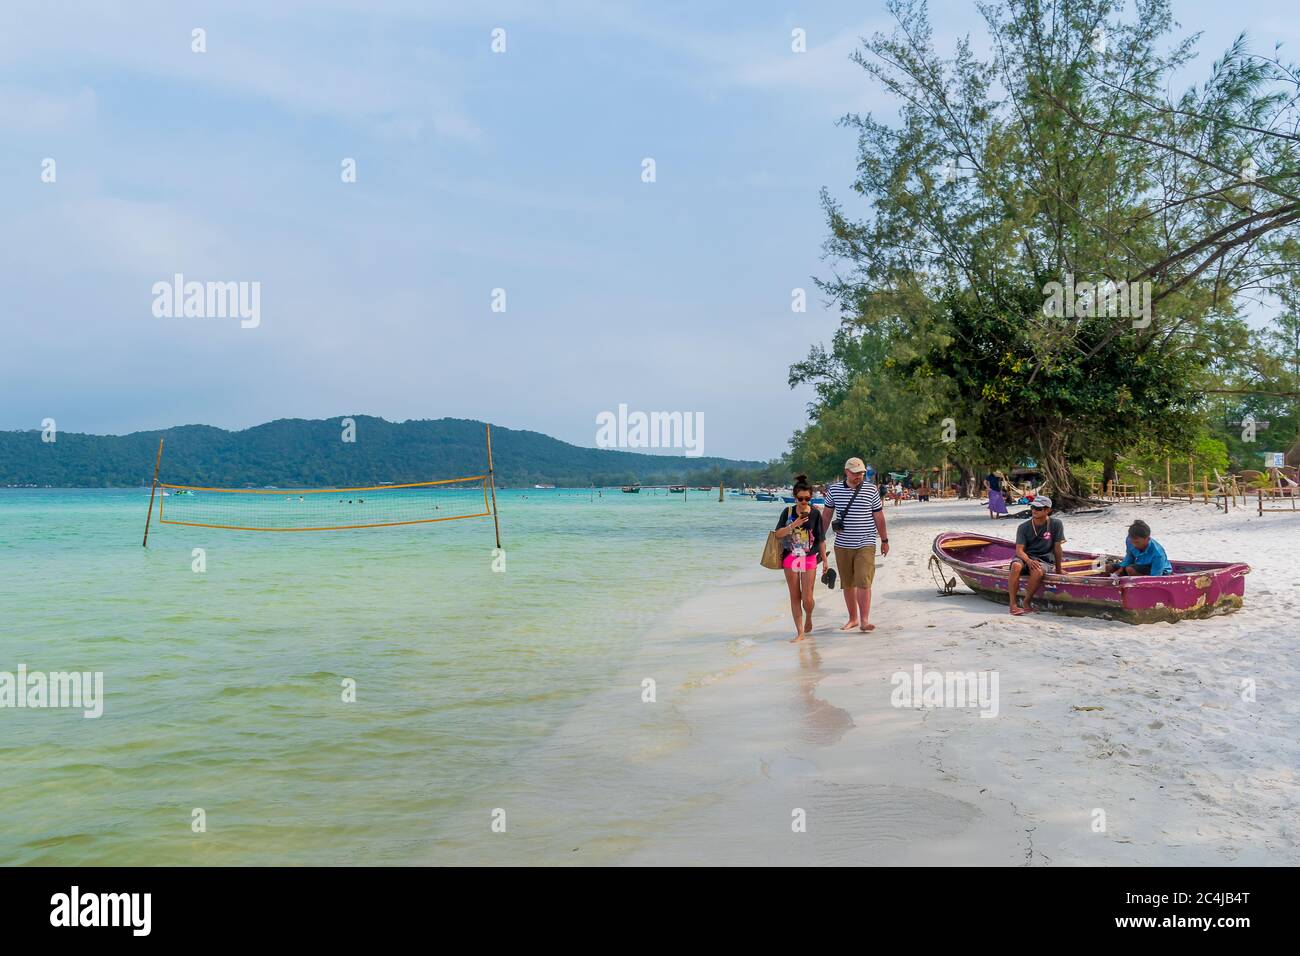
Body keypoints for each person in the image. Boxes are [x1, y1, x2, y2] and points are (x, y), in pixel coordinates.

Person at [825, 457, 889, 632]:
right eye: (855, 473)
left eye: (861, 473)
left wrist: (884, 540)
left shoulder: (871, 490)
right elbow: (826, 515)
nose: (859, 476)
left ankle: (864, 620)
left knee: (863, 580)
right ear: (846, 472)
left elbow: (879, 516)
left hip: (866, 542)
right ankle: (853, 619)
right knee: (847, 583)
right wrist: (819, 538)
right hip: (842, 544)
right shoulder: (834, 490)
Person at [772, 475, 829, 642]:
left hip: (809, 557)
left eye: (807, 498)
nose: (804, 502)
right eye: (800, 498)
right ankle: (800, 632)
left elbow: (821, 539)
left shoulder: (816, 514)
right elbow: (778, 534)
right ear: (794, 497)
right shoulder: (787, 512)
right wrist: (793, 524)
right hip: (790, 557)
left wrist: (825, 559)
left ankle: (809, 616)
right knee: (795, 595)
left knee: (807, 598)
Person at [1008, 495, 1065, 616]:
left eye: (1038, 508)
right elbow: (1019, 551)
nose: (1034, 510)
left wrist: (1059, 570)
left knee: (1037, 571)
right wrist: (1028, 561)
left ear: (1048, 510)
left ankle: (1026, 602)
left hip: (1045, 559)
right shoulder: (1023, 527)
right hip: (1025, 557)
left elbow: (1057, 548)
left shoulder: (1056, 524)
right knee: (1015, 566)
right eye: (1033, 507)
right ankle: (1012, 604)